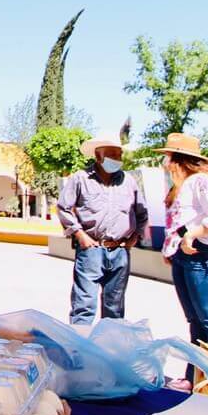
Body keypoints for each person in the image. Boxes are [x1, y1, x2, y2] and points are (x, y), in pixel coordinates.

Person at [159, 133, 208, 385]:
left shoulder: (202, 181)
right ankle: (195, 378)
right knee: (195, 321)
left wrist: (193, 234)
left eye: (167, 157)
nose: (165, 162)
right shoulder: (180, 186)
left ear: (177, 159)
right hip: (184, 256)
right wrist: (172, 248)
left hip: (203, 255)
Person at [56, 131, 146, 324]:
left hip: (120, 251)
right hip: (91, 250)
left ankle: (108, 350)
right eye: (112, 155)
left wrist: (135, 236)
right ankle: (80, 350)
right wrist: (80, 235)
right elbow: (63, 207)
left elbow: (141, 212)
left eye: (119, 155)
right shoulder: (80, 179)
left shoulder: (129, 182)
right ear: (98, 156)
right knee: (84, 306)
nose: (117, 159)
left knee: (115, 308)